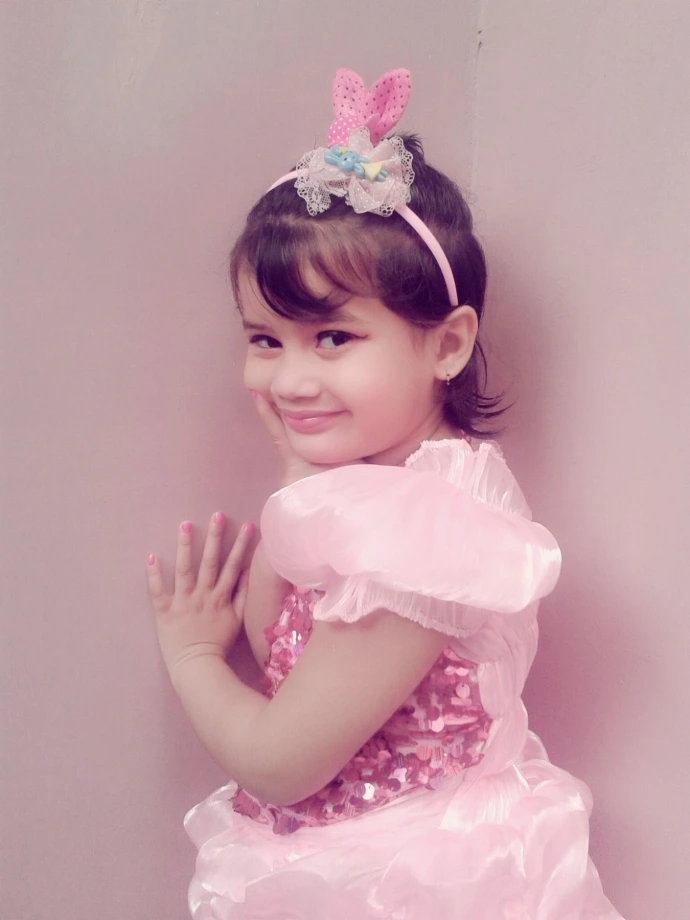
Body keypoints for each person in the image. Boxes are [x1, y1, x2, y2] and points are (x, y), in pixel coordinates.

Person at [146, 69, 624, 919]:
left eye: (333, 337)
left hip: (407, 880)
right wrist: (301, 476)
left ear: (447, 345)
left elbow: (281, 760)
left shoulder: (425, 534)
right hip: (360, 859)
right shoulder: (385, 489)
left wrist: (191, 660)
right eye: (265, 339)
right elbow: (287, 647)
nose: (289, 378)